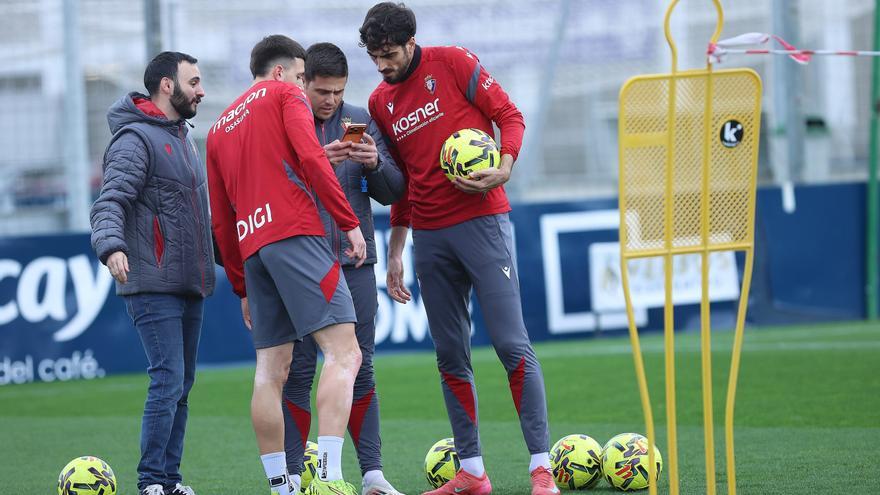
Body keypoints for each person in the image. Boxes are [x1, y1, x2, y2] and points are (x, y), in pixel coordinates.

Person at [359, 4, 557, 495]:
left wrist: (505, 166)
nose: (382, 65)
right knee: (449, 355)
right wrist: (398, 251)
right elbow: (401, 184)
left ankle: (542, 468)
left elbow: (509, 116)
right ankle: (471, 472)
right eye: (374, 57)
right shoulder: (380, 101)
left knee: (512, 344)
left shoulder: (452, 62)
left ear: (410, 42)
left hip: (484, 221)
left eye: (388, 55)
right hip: (430, 236)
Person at [206, 35, 366, 495]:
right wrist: (348, 221)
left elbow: (222, 219)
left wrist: (240, 287)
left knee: (269, 373)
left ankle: (282, 486)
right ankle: (331, 478)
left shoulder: (217, 128)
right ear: (280, 73)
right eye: (301, 76)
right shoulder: (284, 94)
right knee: (344, 353)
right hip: (295, 232)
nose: (303, 84)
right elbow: (313, 159)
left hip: (253, 247)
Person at [281, 42, 405, 495]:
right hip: (299, 266)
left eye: (337, 91)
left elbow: (394, 191)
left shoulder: (362, 119)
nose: (331, 100)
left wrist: (374, 165)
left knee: (362, 366)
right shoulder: (285, 120)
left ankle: (372, 473)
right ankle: (293, 477)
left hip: (354, 264)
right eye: (321, 91)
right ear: (304, 83)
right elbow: (275, 191)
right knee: (296, 370)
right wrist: (316, 166)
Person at [90, 51, 214, 495]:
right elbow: (109, 202)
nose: (201, 90)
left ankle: (169, 479)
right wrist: (111, 246)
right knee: (168, 378)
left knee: (181, 384)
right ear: (167, 85)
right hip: (152, 281)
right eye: (194, 81)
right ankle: (150, 482)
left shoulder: (183, 136)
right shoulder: (135, 138)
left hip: (188, 283)